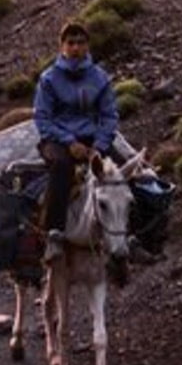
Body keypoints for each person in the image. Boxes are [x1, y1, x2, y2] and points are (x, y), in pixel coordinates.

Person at [33, 21, 119, 261]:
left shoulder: (99, 78)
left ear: (87, 46)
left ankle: (133, 236)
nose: (76, 48)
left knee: (124, 171)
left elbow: (109, 115)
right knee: (61, 168)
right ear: (62, 47)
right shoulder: (48, 79)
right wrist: (69, 142)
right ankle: (54, 234)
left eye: (80, 43)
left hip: (93, 139)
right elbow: (42, 118)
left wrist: (99, 147)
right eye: (70, 43)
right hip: (57, 139)